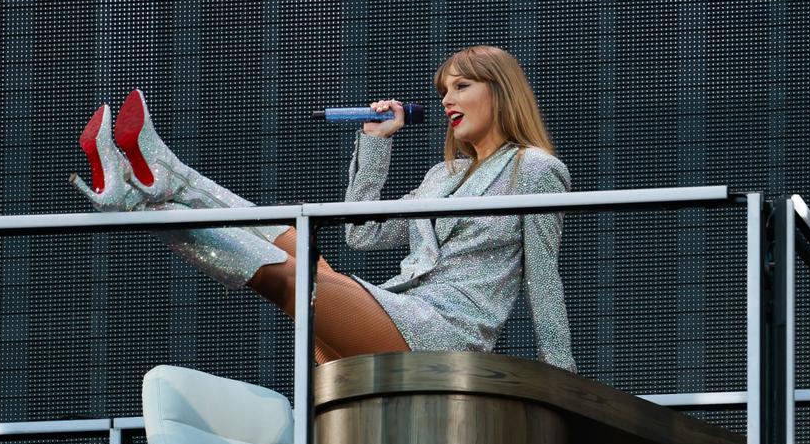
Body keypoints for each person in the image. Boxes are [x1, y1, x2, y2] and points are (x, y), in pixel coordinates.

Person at [71, 45, 575, 372]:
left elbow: (544, 279)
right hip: (403, 312)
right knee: (303, 250)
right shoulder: (442, 178)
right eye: (444, 90)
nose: (447, 100)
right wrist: (375, 143)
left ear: (501, 91)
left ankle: (161, 191)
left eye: (462, 86)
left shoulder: (533, 169)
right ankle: (160, 187)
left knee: (302, 276)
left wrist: (564, 386)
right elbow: (361, 233)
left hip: (449, 335)